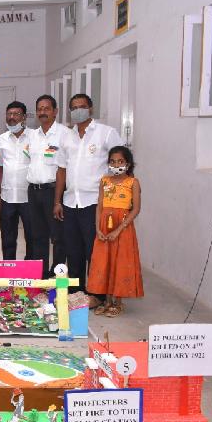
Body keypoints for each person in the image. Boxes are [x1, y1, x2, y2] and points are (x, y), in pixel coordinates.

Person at [54, 94, 124, 301]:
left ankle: (97, 293)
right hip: (69, 202)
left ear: (91, 109)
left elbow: (120, 165)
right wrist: (57, 201)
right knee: (73, 250)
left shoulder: (106, 133)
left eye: (82, 107)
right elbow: (61, 170)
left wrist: (116, 200)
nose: (78, 111)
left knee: (94, 251)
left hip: (96, 203)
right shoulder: (67, 136)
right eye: (73, 108)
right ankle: (77, 292)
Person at [87, 146, 143, 317]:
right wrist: (98, 228)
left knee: (120, 262)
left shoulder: (132, 182)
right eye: (112, 161)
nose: (116, 164)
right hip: (104, 226)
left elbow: (136, 209)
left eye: (120, 161)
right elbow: (100, 206)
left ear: (128, 164)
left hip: (122, 228)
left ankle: (118, 303)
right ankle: (107, 300)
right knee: (105, 262)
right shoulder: (105, 181)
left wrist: (119, 230)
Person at [27, 94, 71, 279]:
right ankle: (41, 275)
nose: (42, 112)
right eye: (39, 109)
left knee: (58, 237)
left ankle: (57, 274)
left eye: (46, 108)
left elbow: (67, 166)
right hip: (34, 191)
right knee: (38, 236)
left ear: (55, 111)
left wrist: (58, 200)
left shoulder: (65, 134)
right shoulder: (33, 135)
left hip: (54, 191)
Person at [0, 100, 33, 260]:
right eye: (9, 114)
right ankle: (8, 268)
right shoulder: (1, 139)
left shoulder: (34, 137)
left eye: (16, 114)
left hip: (29, 197)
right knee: (7, 238)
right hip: (7, 197)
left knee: (32, 236)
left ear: (24, 117)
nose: (12, 117)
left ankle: (30, 267)